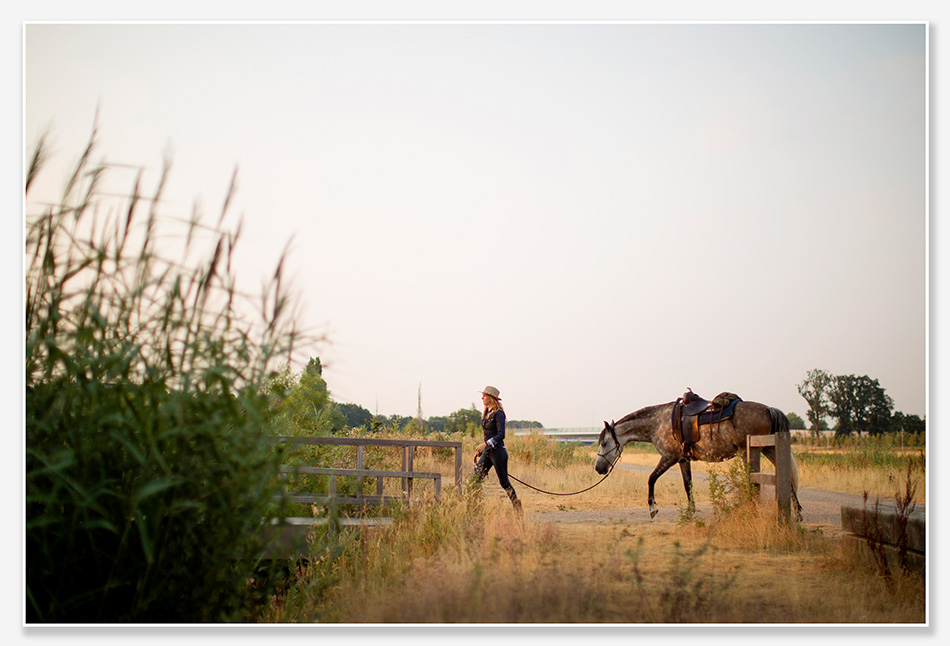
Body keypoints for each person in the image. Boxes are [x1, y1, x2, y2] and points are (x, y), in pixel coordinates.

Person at [472, 385, 522, 513]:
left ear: (491, 398)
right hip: (488, 452)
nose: (482, 398)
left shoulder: (499, 413)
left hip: (498, 453)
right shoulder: (486, 412)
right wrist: (483, 448)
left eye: (484, 396)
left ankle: (517, 507)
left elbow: (501, 435)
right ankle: (472, 508)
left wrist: (485, 444)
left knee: (504, 482)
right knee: (475, 480)